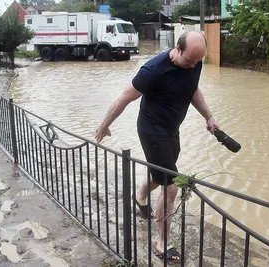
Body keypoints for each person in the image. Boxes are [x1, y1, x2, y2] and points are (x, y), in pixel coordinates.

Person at [95, 31, 219, 263]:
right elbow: (124, 97)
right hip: (152, 130)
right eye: (189, 60)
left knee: (162, 173)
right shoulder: (153, 70)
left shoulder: (195, 63)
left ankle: (140, 195)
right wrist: (104, 125)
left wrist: (208, 117)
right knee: (170, 186)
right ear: (178, 49)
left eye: (198, 61)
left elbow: (193, 90)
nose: (193, 66)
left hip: (172, 130)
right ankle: (163, 243)